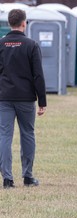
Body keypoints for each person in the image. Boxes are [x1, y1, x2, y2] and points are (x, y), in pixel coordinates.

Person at [0, 9, 46, 189]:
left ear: (9, 23)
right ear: (24, 23)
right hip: (26, 98)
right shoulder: (31, 45)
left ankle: (7, 179)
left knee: (4, 135)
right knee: (27, 134)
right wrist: (42, 101)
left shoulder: (1, 44)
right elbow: (38, 76)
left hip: (4, 97)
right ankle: (27, 176)